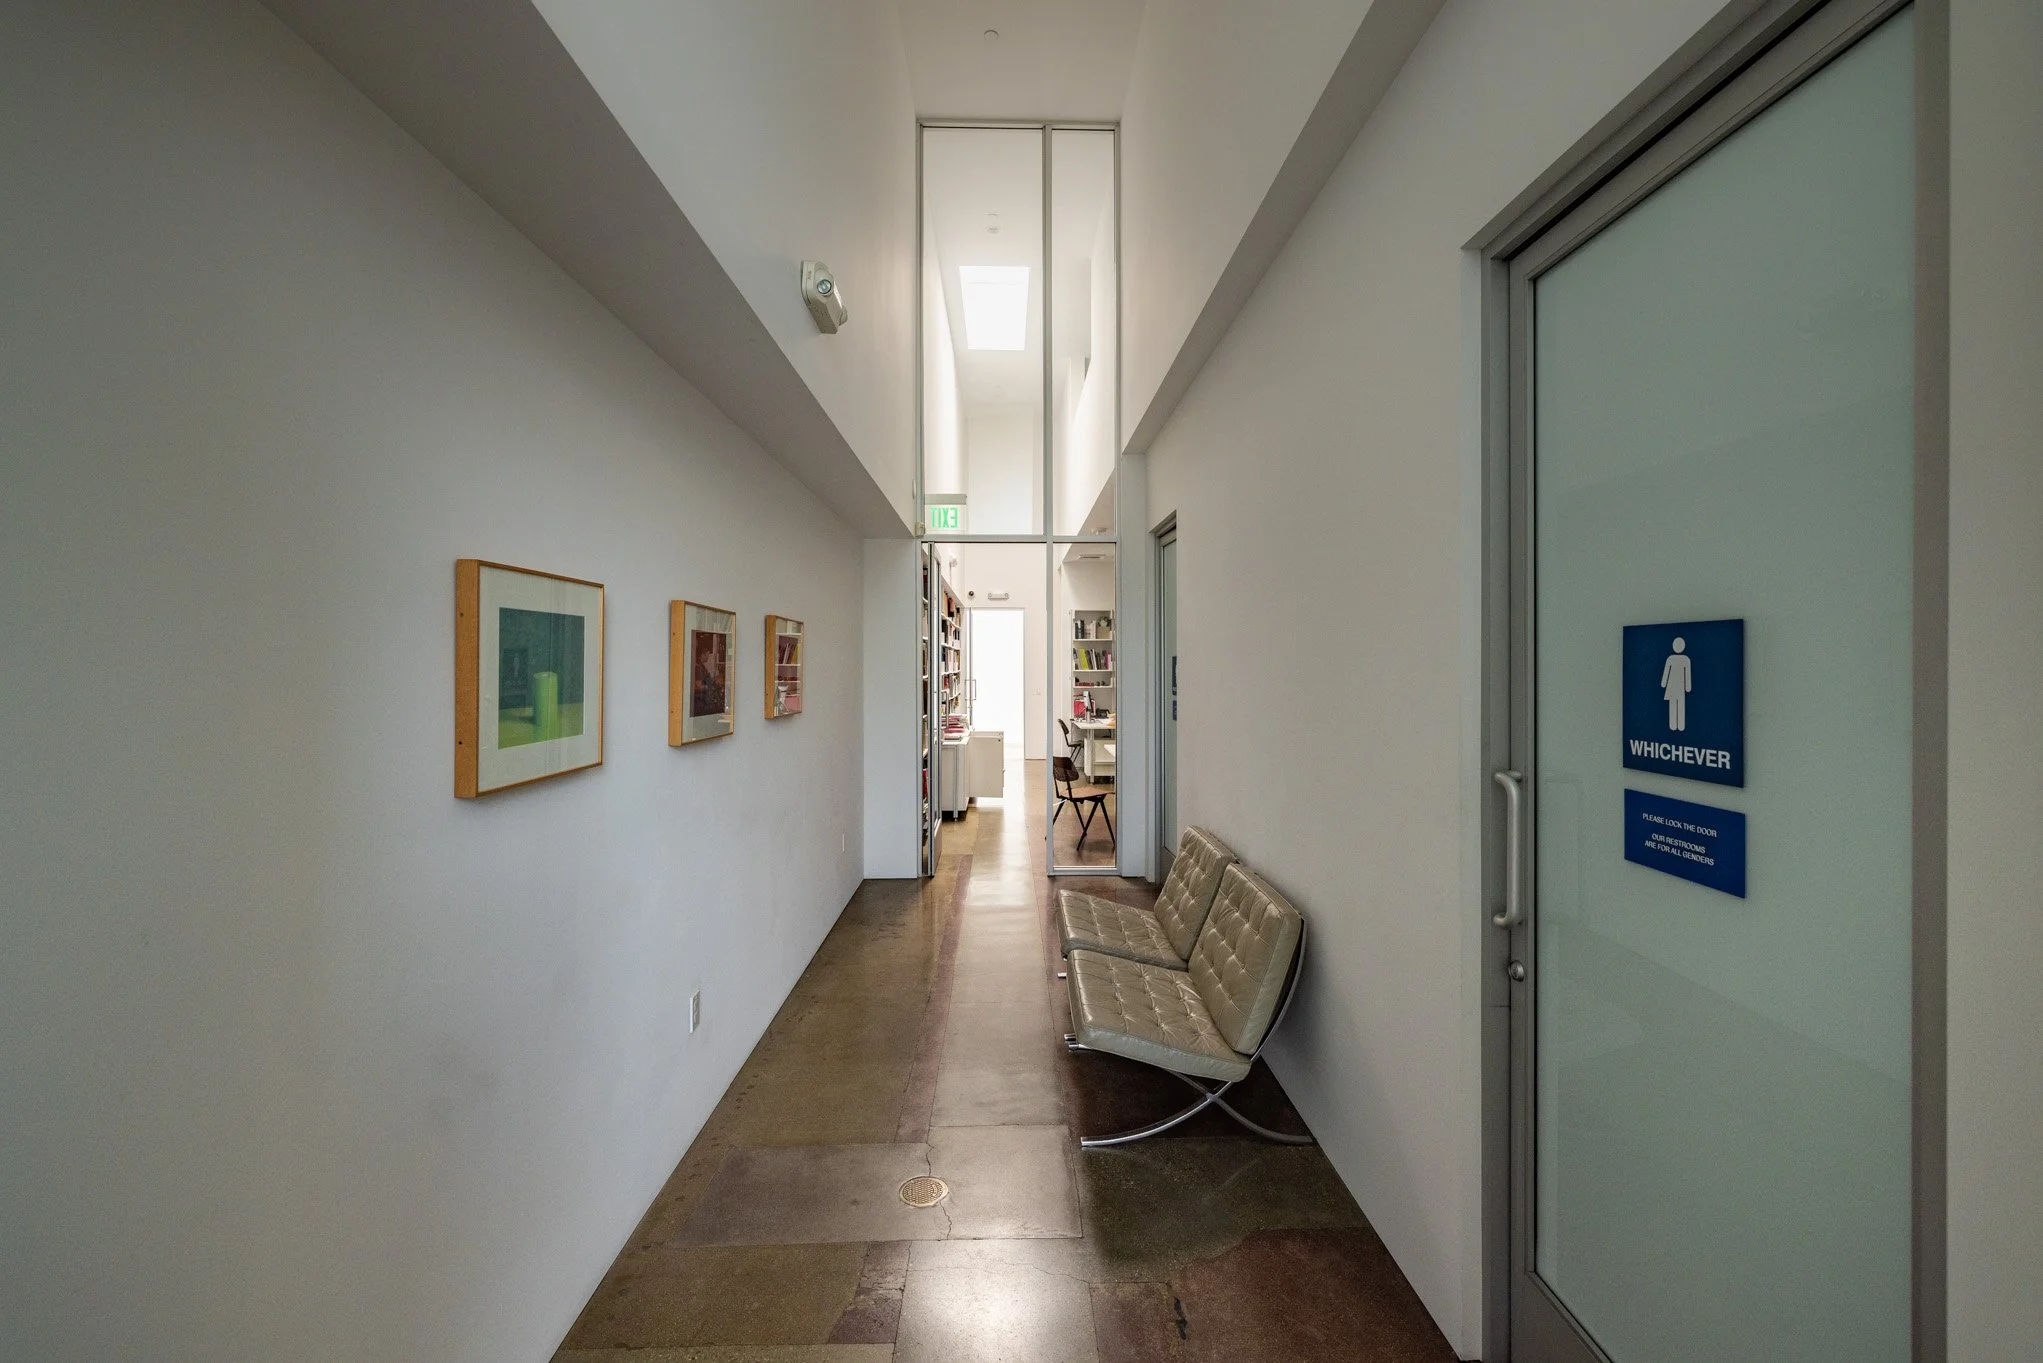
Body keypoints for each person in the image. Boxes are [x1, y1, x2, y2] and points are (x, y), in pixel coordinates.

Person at [1660, 637, 1692, 732]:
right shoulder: (1684, 659)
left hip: (1674, 687)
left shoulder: (1674, 659)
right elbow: (1667, 672)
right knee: (1677, 705)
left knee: (1675, 705)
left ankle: (1675, 725)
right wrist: (1688, 687)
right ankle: (1678, 726)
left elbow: (1667, 673)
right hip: (1677, 688)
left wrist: (1663, 683)